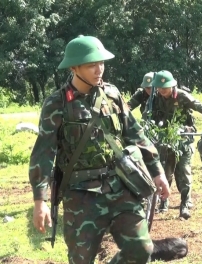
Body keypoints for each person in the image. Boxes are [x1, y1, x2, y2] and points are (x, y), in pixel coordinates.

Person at [29, 35, 170, 264]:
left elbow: (136, 134)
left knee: (141, 251)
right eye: (91, 64)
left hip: (120, 187)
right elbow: (44, 153)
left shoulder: (112, 95)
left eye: (101, 63)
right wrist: (40, 201)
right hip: (81, 195)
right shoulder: (57, 104)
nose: (99, 69)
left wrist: (158, 171)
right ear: (74, 67)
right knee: (81, 259)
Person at [148, 70, 202, 219]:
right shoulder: (155, 99)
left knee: (183, 174)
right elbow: (149, 117)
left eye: (164, 88)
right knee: (165, 172)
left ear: (172, 86)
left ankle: (184, 205)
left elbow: (200, 106)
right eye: (158, 88)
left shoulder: (182, 96)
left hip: (184, 139)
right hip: (164, 141)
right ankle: (163, 203)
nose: (161, 91)